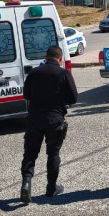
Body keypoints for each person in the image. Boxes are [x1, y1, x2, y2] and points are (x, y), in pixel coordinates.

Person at [20, 46, 79, 203]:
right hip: (55, 119)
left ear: (46, 58)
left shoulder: (34, 72)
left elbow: (26, 94)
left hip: (34, 119)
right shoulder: (64, 73)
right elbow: (73, 98)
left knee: (30, 153)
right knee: (53, 154)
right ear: (60, 59)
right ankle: (51, 188)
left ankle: (26, 183)